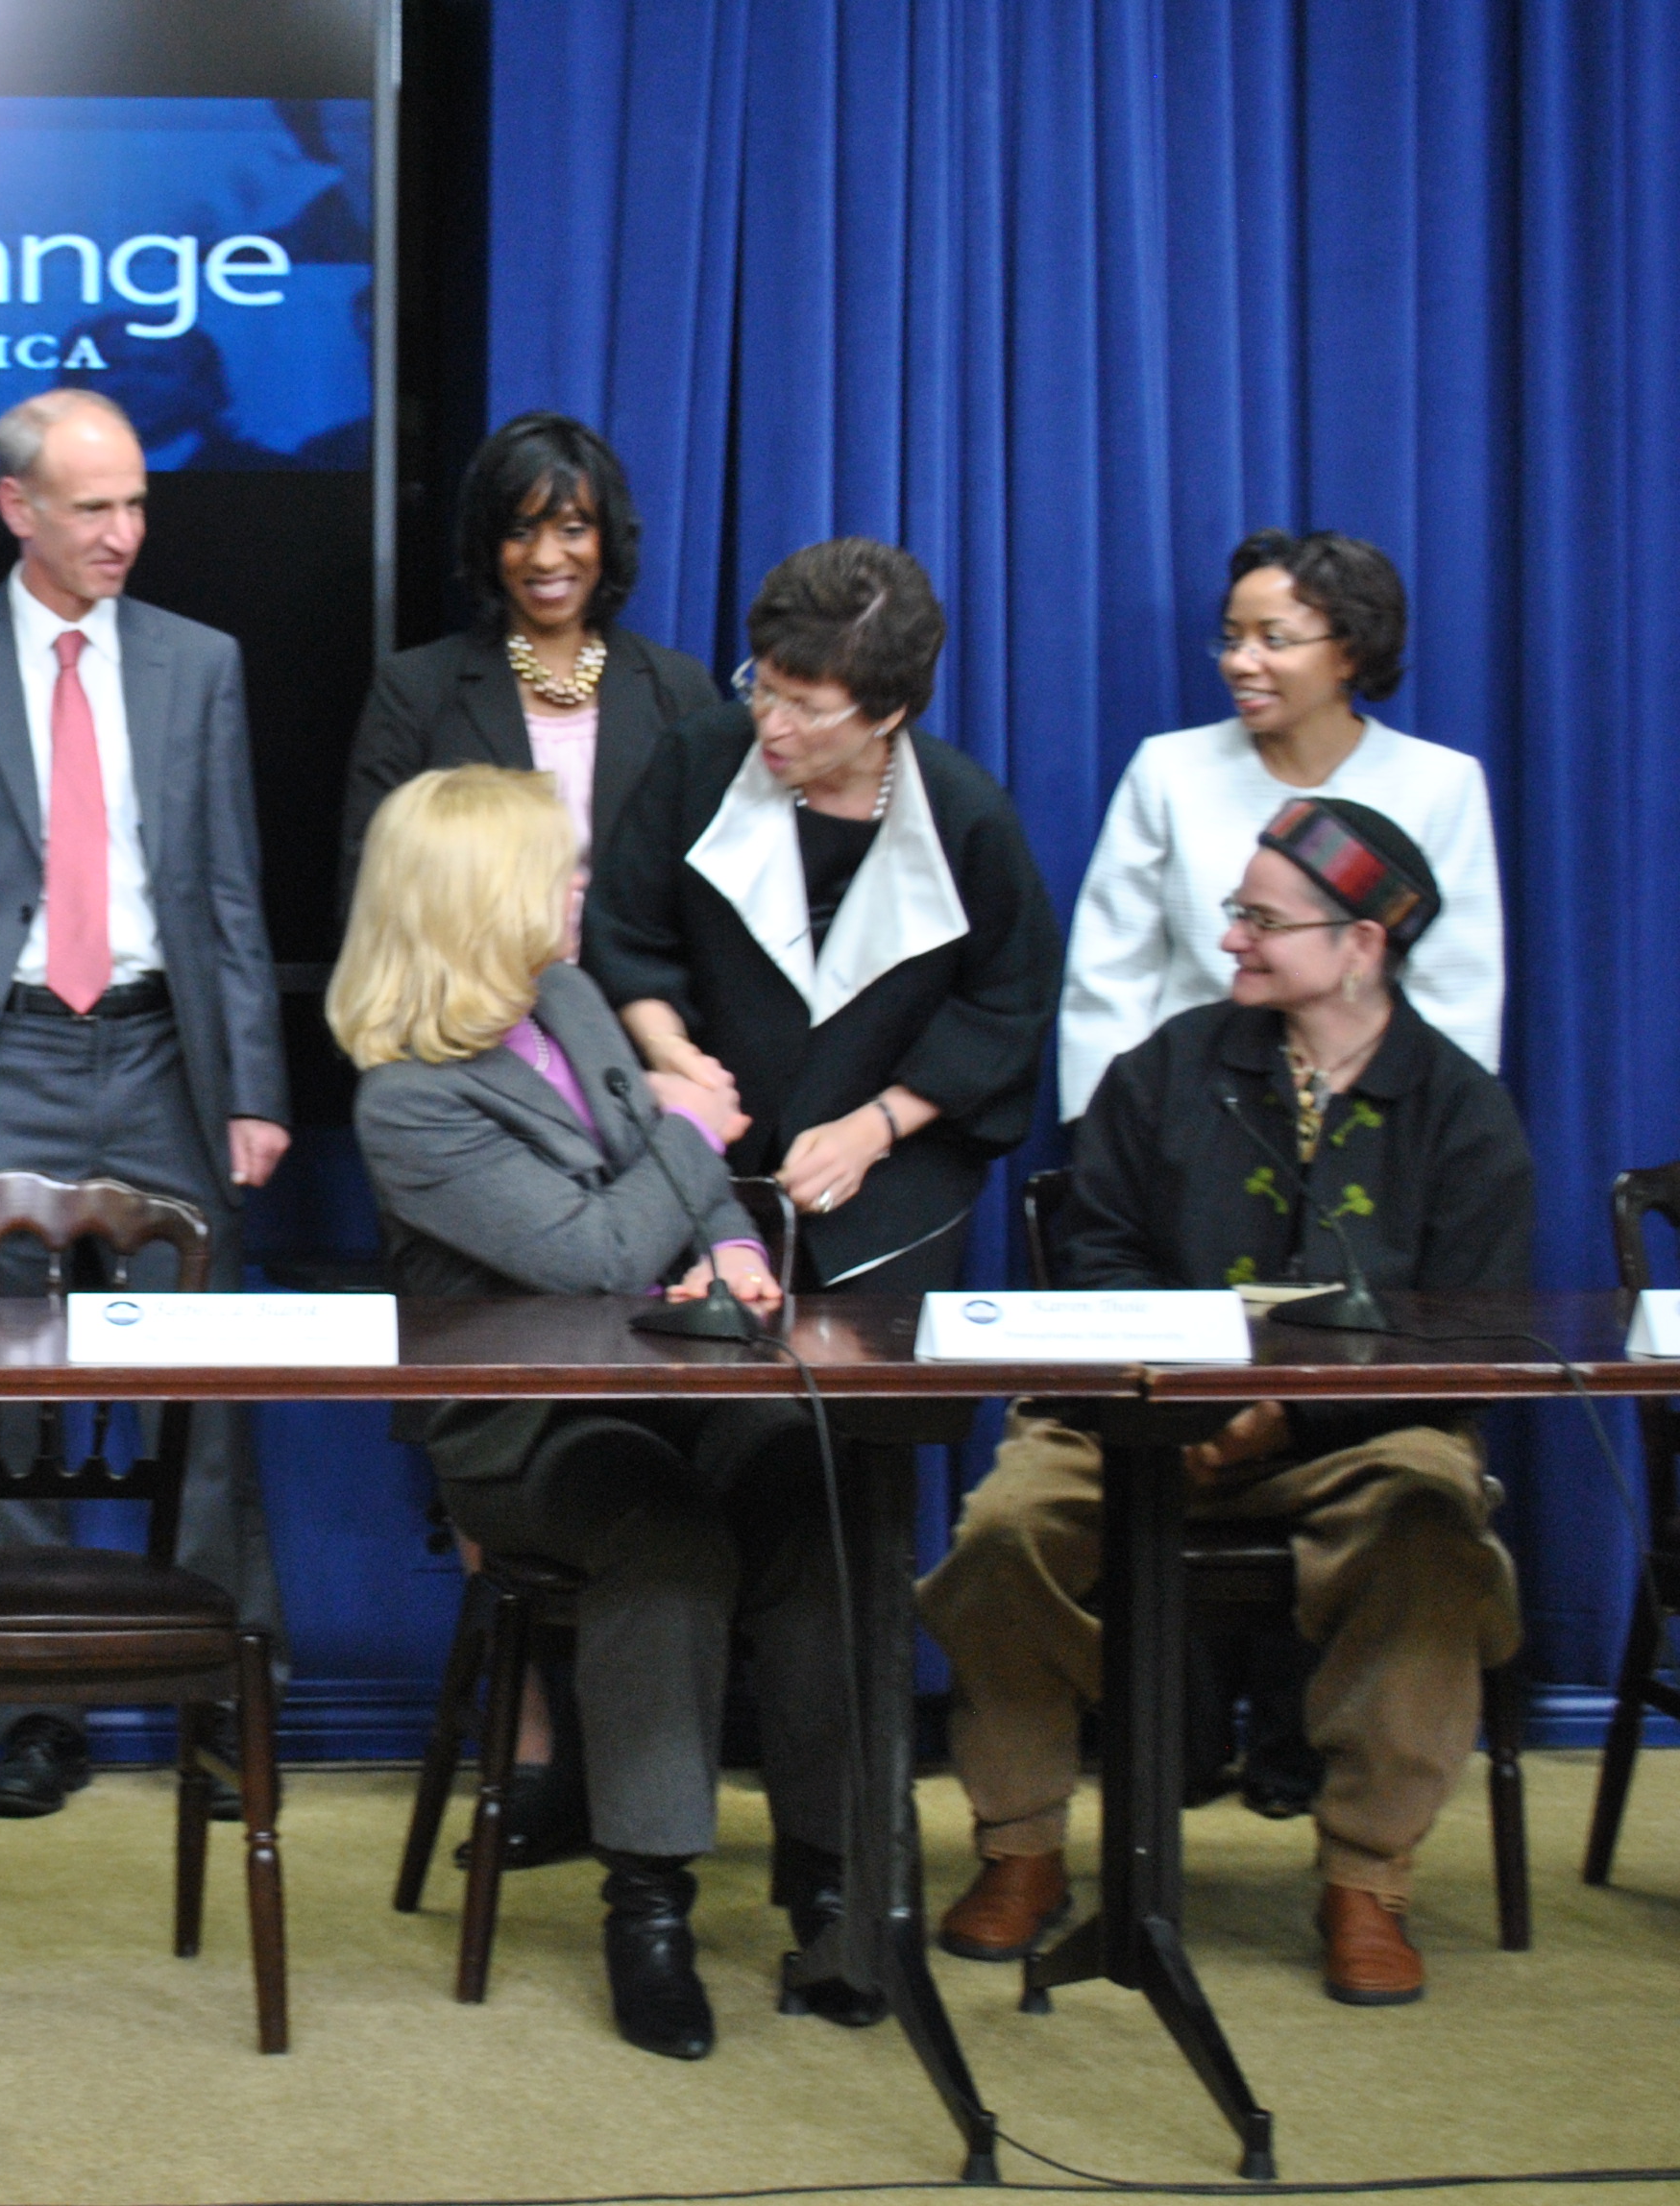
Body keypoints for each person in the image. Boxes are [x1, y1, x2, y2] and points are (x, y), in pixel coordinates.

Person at [921, 799, 1532, 2008]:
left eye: (1263, 918)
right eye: (1235, 912)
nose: (1232, 940)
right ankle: (1021, 1846)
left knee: (1428, 1527)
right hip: (1136, 1415)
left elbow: (1467, 1341)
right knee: (1003, 1533)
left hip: (1358, 1437)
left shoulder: (1460, 1114)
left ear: (1360, 942)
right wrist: (1188, 1404)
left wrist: (1288, 1421)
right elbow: (1093, 1253)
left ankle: (1366, 1876)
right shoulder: (1165, 1071)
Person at [338, 767, 867, 2059]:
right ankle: (650, 1906)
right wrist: (691, 1130)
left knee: (818, 1488)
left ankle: (841, 1879)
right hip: (526, 1428)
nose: (584, 890)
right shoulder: (408, 1097)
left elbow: (677, 1191)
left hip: (674, 1377)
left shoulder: (564, 996)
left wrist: (739, 1254)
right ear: (482, 898)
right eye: (559, 870)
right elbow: (586, 1249)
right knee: (668, 1539)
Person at [0, 385, 293, 1823]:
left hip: (164, 1058)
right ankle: (33, 1707)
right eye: (92, 506)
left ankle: (227, 1701)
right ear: (15, 507)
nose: (123, 532)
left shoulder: (198, 663)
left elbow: (226, 890)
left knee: (209, 1396)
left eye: (137, 503)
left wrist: (256, 1089)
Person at [582, 537, 1061, 1296]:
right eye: (762, 688)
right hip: (698, 1164)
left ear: (888, 713)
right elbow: (627, 932)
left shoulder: (966, 814)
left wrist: (877, 1126)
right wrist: (670, 1051)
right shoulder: (697, 761)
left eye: (807, 708)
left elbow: (1006, 1005)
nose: (772, 725)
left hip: (895, 1192)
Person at [1058, 528, 1501, 1120]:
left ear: (1350, 652)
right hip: (1188, 1118)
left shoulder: (1438, 785)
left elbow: (1458, 995)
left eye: (1274, 639)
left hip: (1377, 1124)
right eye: (1233, 639)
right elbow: (1112, 972)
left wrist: (1433, 1134)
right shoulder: (1170, 770)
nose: (1242, 663)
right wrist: (1106, 1131)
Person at [340, 413, 719, 895]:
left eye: (573, 529)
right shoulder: (415, 689)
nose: (545, 557)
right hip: (470, 970)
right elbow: (371, 887)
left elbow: (711, 885)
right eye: (520, 532)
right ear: (490, 545)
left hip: (631, 972)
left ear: (609, 537)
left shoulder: (679, 688)